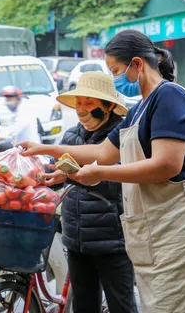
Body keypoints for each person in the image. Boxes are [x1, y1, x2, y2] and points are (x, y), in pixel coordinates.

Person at [20, 29, 185, 312]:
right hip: (161, 226)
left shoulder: (169, 96)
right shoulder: (139, 108)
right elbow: (103, 153)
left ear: (137, 64)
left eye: (116, 70)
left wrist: (101, 174)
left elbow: (167, 164)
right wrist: (46, 149)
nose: (116, 79)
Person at [44, 71, 136, 312]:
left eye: (89, 103)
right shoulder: (71, 136)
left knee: (121, 305)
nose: (82, 109)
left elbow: (121, 179)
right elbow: (56, 174)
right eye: (79, 103)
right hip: (76, 240)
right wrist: (38, 175)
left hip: (112, 242)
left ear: (108, 107)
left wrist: (81, 174)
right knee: (83, 305)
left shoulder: (121, 138)